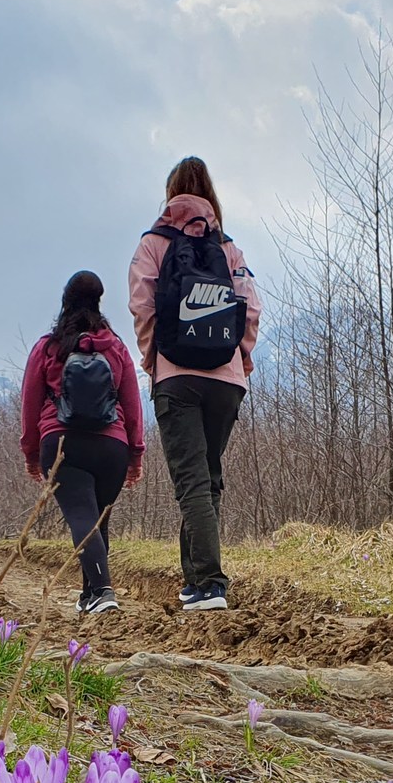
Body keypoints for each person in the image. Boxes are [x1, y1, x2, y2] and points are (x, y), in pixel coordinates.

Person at [129, 155, 260, 613]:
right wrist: (240, 359)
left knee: (191, 482)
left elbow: (142, 307)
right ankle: (195, 580)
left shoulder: (154, 242)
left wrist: (153, 361)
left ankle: (209, 584)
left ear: (170, 194)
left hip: (177, 376)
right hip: (227, 379)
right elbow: (251, 307)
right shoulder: (228, 248)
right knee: (208, 478)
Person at [21, 270, 145, 614]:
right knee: (97, 518)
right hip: (112, 446)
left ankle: (103, 590)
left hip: (62, 442)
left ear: (65, 302)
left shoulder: (48, 348)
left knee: (82, 516)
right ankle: (90, 594)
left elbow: (30, 404)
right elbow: (132, 405)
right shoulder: (117, 348)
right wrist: (135, 454)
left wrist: (32, 453)